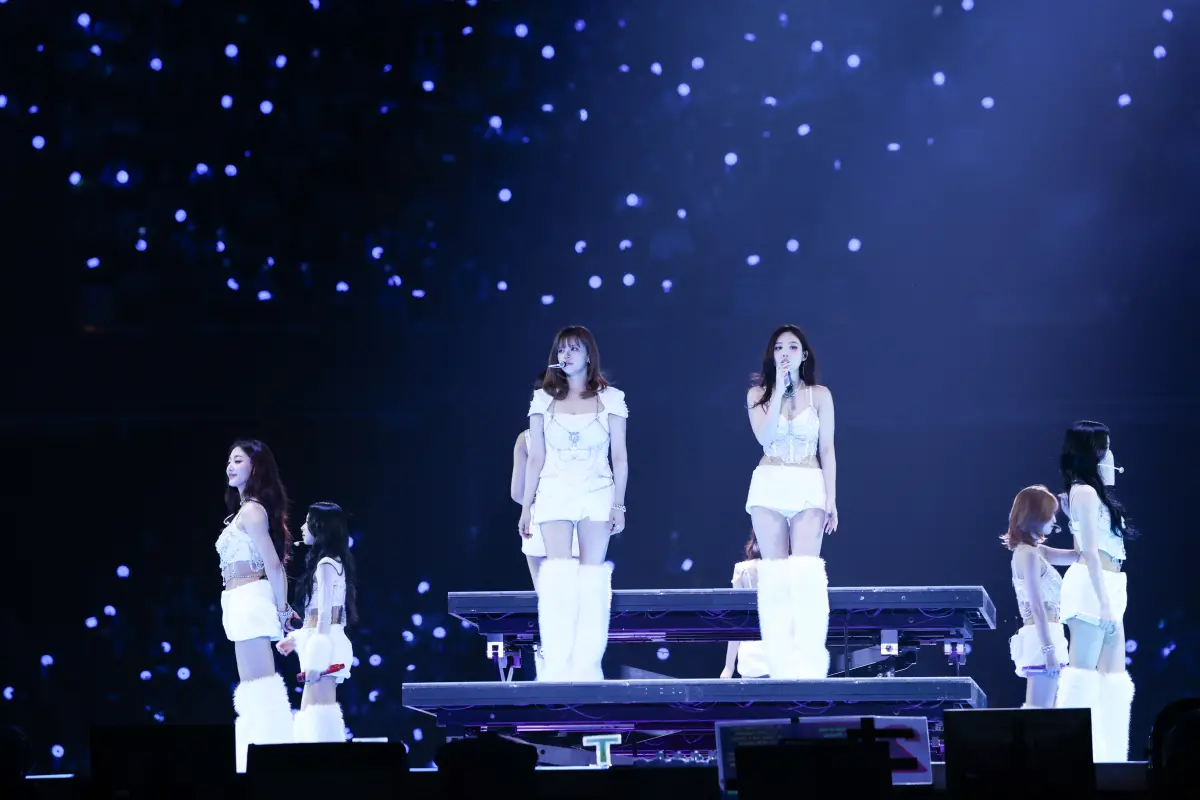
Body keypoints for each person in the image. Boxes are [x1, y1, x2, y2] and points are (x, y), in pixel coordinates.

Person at [518, 325, 628, 682]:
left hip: (596, 491)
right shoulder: (542, 400)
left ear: (589, 355)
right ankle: (557, 664)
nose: (566, 355)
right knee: (558, 578)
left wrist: (619, 504)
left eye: (574, 349)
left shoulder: (612, 399)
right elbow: (535, 457)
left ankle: (587, 664)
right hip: (554, 491)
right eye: (561, 349)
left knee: (591, 580)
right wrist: (527, 507)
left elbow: (620, 457)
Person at [744, 325, 837, 680]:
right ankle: (779, 663)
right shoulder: (757, 394)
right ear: (772, 355)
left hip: (809, 483)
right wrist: (779, 394)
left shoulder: (820, 396)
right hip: (770, 484)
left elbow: (827, 449)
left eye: (793, 347)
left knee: (806, 574)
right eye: (779, 347)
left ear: (804, 354)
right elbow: (764, 437)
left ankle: (809, 663)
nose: (785, 352)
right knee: (776, 577)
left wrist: (831, 498)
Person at [1054, 421, 1137, 762]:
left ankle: (1111, 761)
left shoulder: (1090, 493)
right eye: (1105, 447)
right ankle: (1070, 757)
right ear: (1092, 451)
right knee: (1083, 678)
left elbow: (1080, 549)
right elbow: (1087, 552)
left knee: (1113, 682)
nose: (1110, 454)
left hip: (1110, 584)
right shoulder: (1084, 493)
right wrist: (1103, 602)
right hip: (1093, 588)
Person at [218, 439, 295, 772]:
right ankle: (256, 760)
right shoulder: (243, 511)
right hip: (239, 603)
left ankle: (274, 761)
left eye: (238, 460)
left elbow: (273, 564)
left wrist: (282, 609)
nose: (230, 466)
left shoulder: (252, 511)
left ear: (255, 467)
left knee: (262, 690)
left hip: (251, 600)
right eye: (229, 461)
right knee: (252, 692)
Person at [276, 502, 357, 743]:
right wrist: (296, 639)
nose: (302, 527)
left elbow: (325, 617)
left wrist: (317, 660)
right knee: (314, 718)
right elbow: (322, 618)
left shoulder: (326, 565)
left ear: (320, 527)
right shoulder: (333, 563)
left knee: (317, 720)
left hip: (326, 650)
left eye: (307, 522)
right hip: (328, 644)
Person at [1002, 485, 1082, 709]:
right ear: (1035, 516)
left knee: (1048, 713)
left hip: (1050, 635)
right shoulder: (1027, 555)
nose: (1054, 519)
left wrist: (1074, 519)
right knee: (1040, 713)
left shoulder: (1037, 551)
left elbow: (1079, 556)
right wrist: (1048, 650)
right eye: (1050, 514)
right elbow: (1036, 604)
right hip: (1042, 640)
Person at [511, 370, 580, 593]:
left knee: (546, 603)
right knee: (574, 601)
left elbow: (517, 493)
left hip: (536, 524)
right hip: (574, 525)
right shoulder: (580, 435)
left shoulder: (525, 439)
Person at [720, 533, 769, 679]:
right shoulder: (788, 568)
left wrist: (729, 667)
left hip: (752, 657)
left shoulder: (741, 569)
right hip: (782, 655)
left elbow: (738, 620)